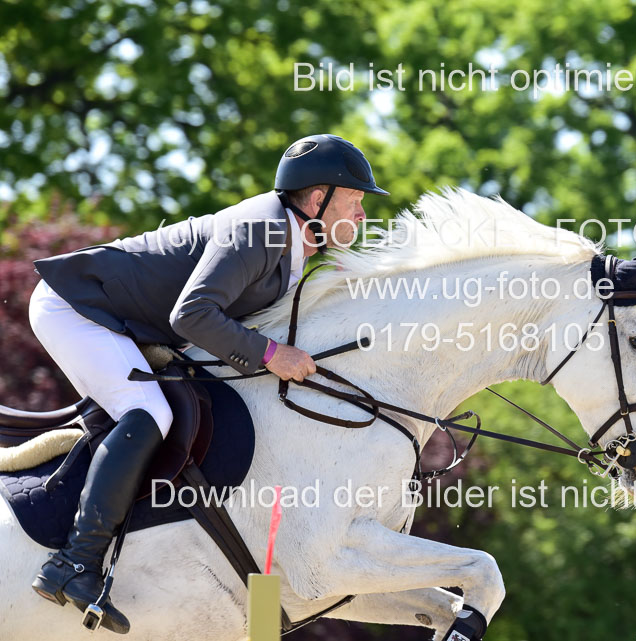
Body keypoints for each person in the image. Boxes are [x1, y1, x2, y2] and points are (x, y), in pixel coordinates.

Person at [28, 134, 388, 634]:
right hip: (78, 308)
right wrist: (271, 355)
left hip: (128, 321)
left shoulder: (295, 247)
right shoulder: (260, 231)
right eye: (354, 201)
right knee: (149, 413)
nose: (363, 215)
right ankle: (73, 562)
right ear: (316, 199)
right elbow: (192, 314)